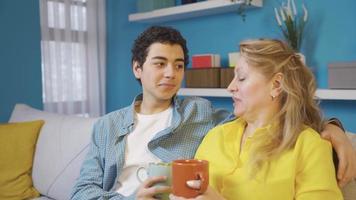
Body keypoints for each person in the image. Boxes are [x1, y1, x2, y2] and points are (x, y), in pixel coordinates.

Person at [71, 27, 355, 199]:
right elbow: (82, 193)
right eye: (159, 63)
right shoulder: (106, 127)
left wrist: (333, 128)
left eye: (179, 65)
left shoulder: (200, 114)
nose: (171, 73)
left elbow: (278, 118)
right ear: (137, 68)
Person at [171, 39, 346, 200]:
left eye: (241, 78)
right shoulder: (216, 136)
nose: (230, 87)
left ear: (276, 85)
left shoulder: (308, 146)